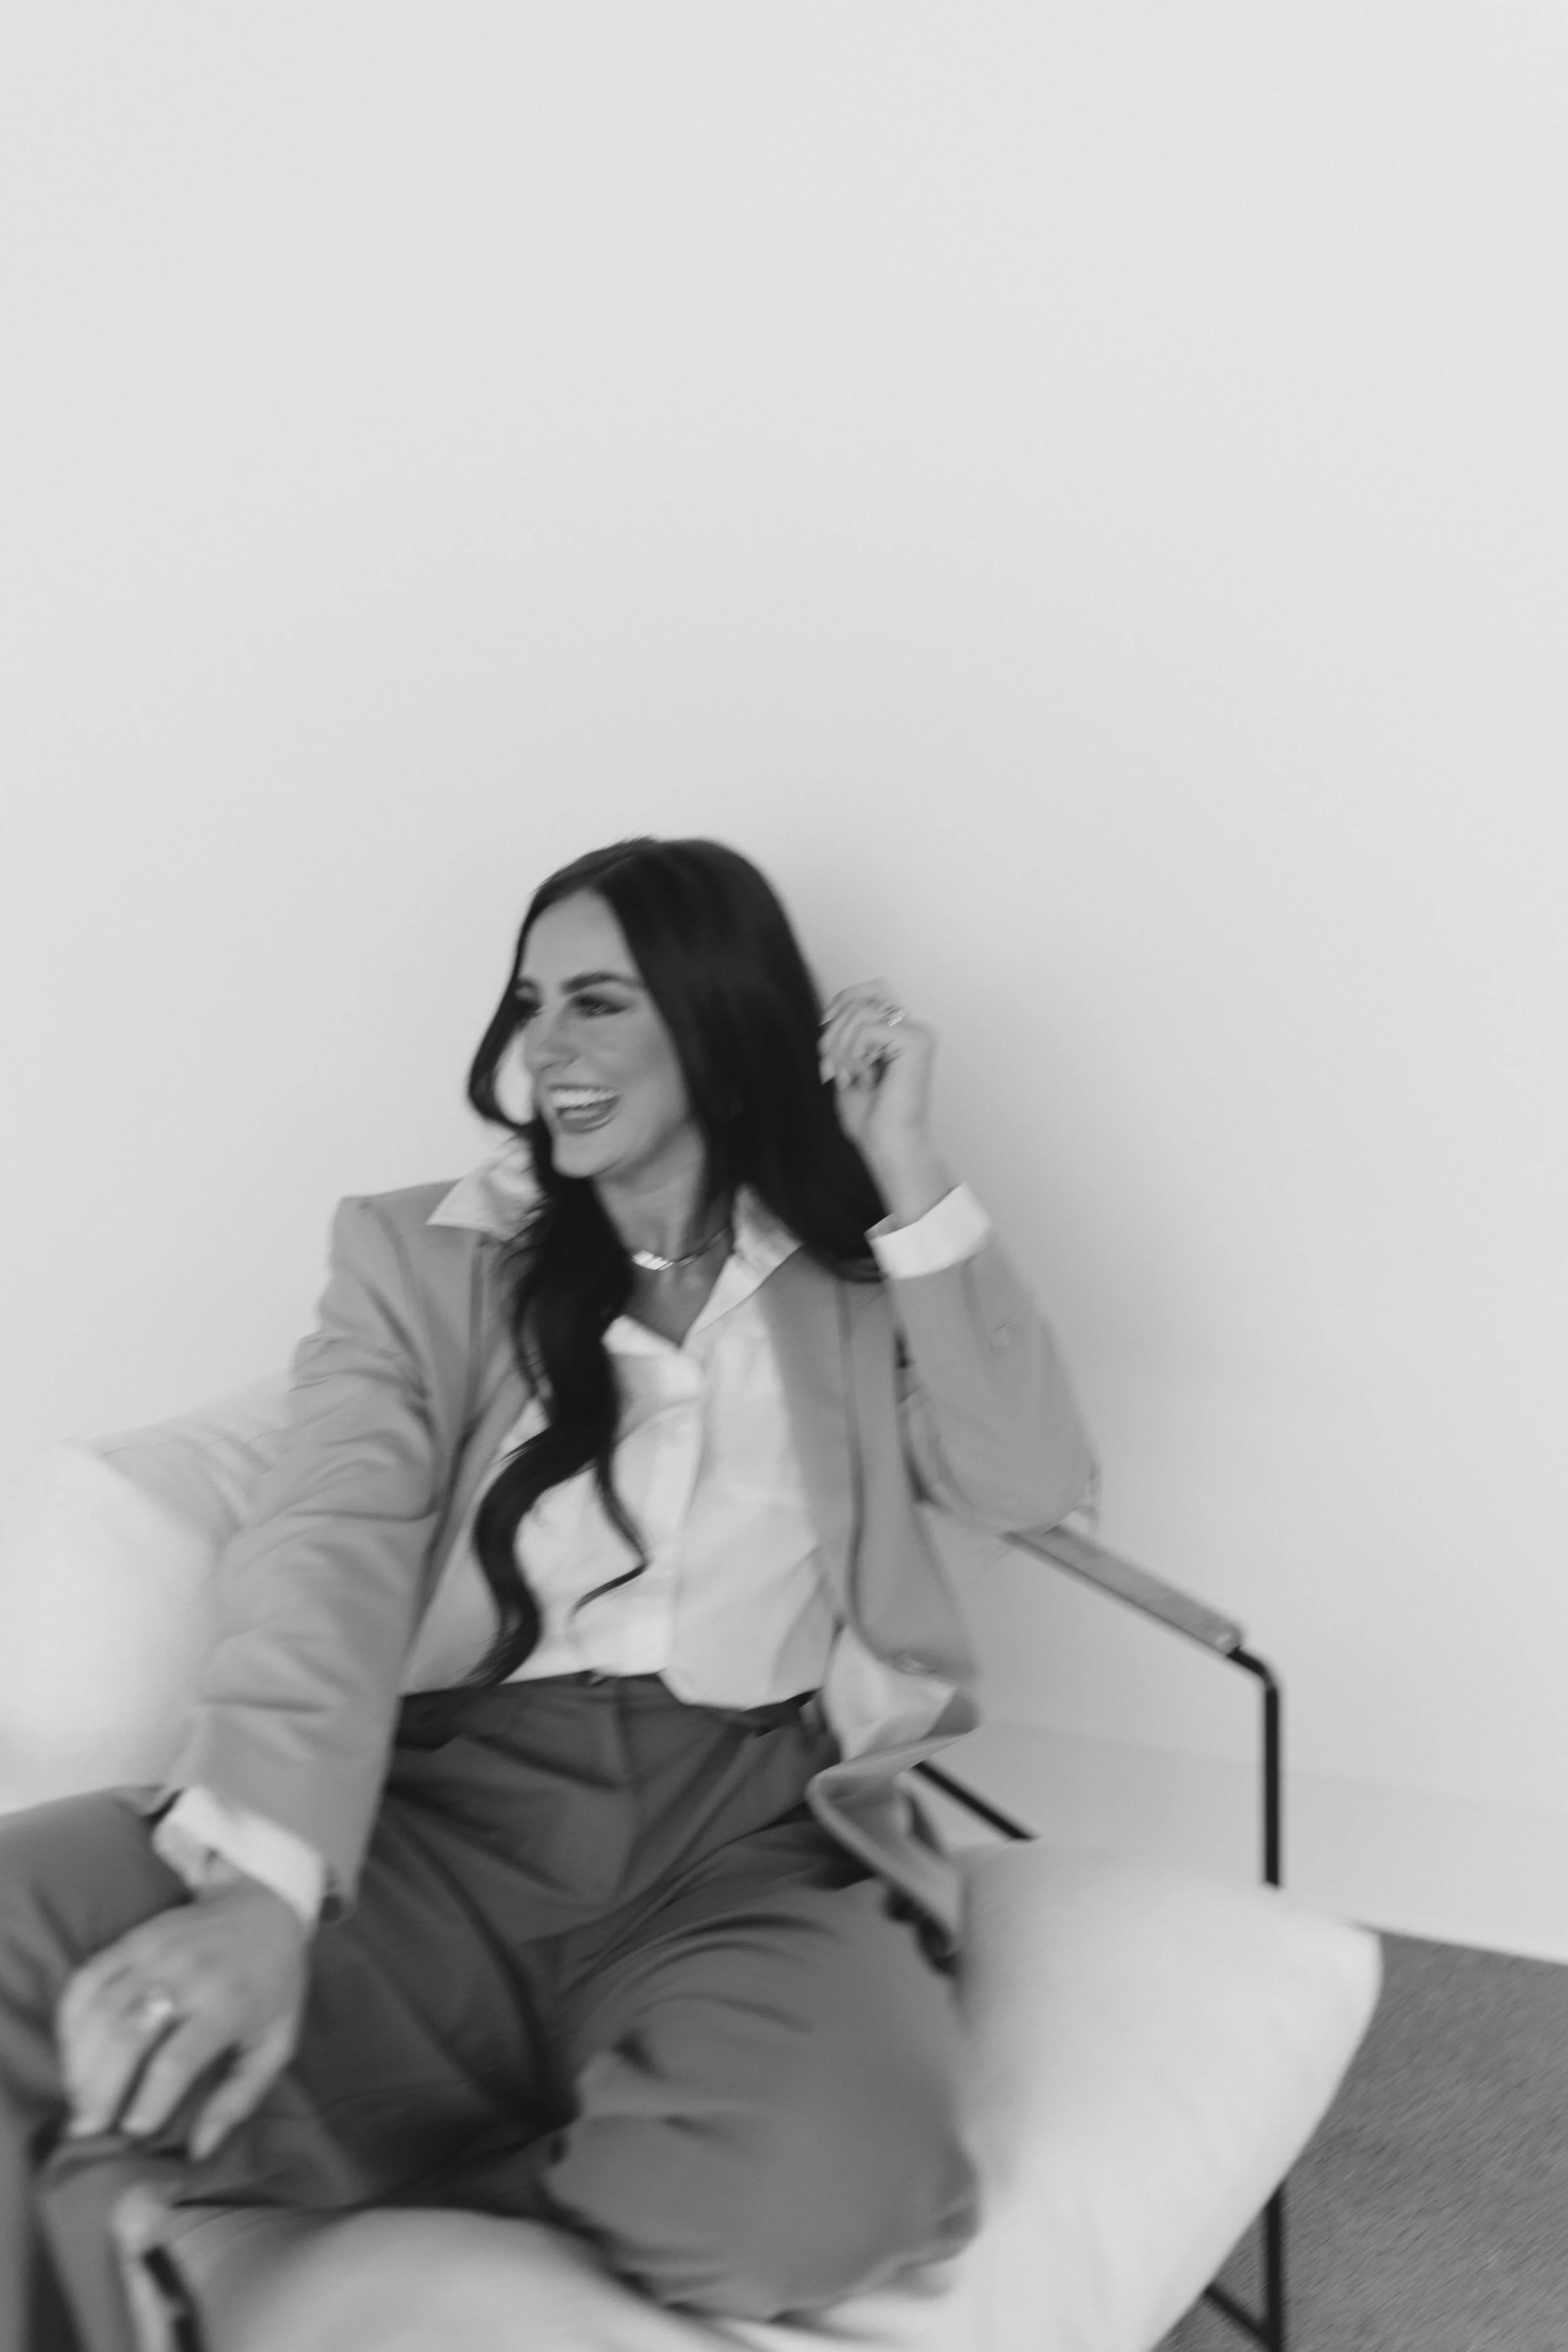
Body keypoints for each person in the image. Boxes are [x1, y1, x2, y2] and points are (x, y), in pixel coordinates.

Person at [0, 835, 1095, 2352]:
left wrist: (907, 1170)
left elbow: (1029, 1482)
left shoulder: (852, 1279)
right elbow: (327, 1542)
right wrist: (261, 1893)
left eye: (598, 1003)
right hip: (431, 1826)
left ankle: (409, 2168)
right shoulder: (419, 1253)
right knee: (21, 1910)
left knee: (826, 2196)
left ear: (717, 1026)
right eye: (530, 1004)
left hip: (744, 1850)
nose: (547, 1050)